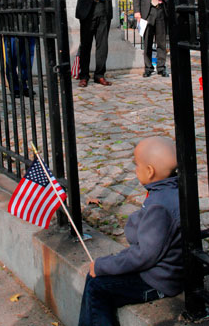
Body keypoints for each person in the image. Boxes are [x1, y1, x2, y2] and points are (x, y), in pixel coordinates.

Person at [78, 136, 183, 326]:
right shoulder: (169, 192)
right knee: (96, 280)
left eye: (137, 165)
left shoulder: (159, 206)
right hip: (160, 272)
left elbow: (143, 255)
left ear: (150, 171)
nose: (135, 170)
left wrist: (102, 265)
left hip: (157, 281)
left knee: (96, 285)